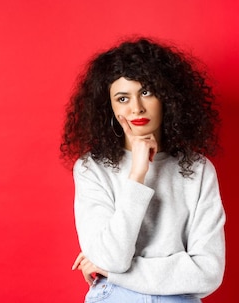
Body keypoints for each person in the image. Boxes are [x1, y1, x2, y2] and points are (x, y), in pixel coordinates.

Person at [61, 37, 225, 302]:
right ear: (110, 107)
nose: (136, 107)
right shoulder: (92, 168)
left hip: (176, 298)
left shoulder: (198, 169)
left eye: (146, 92)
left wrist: (115, 272)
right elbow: (112, 257)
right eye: (122, 98)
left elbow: (208, 272)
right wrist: (137, 174)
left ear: (167, 96)